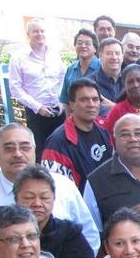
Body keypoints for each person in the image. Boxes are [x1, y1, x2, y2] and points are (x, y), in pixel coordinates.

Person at [0, 123, 99, 254]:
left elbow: (89, 233)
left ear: (34, 149)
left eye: (25, 147)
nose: (17, 154)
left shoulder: (63, 186)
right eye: (9, 148)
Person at [13, 165, 94, 258]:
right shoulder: (4, 233)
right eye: (29, 197)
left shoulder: (69, 234)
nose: (37, 204)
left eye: (44, 197)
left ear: (54, 198)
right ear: (16, 199)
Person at [41, 78, 112, 191]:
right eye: (84, 100)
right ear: (72, 104)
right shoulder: (57, 142)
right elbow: (56, 189)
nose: (91, 104)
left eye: (95, 99)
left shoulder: (104, 128)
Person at [8, 18, 65, 159]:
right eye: (35, 31)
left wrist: (61, 100)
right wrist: (38, 107)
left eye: (42, 31)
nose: (39, 34)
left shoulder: (54, 54)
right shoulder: (18, 58)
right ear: (28, 34)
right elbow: (15, 88)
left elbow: (62, 78)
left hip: (58, 111)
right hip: (37, 113)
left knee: (61, 149)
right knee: (39, 151)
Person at [104, 64, 140, 136]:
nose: (136, 85)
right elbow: (106, 137)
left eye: (139, 80)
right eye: (130, 82)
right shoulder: (117, 111)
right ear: (124, 85)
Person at [60, 28, 100, 106]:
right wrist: (69, 118)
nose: (83, 46)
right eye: (79, 43)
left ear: (95, 48)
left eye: (87, 43)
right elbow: (66, 100)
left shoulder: (102, 68)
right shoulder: (71, 69)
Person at [88, 38, 124, 116]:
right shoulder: (89, 83)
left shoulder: (131, 81)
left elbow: (139, 110)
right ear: (100, 56)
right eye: (109, 53)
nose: (114, 57)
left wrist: (114, 107)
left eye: (117, 53)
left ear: (122, 56)